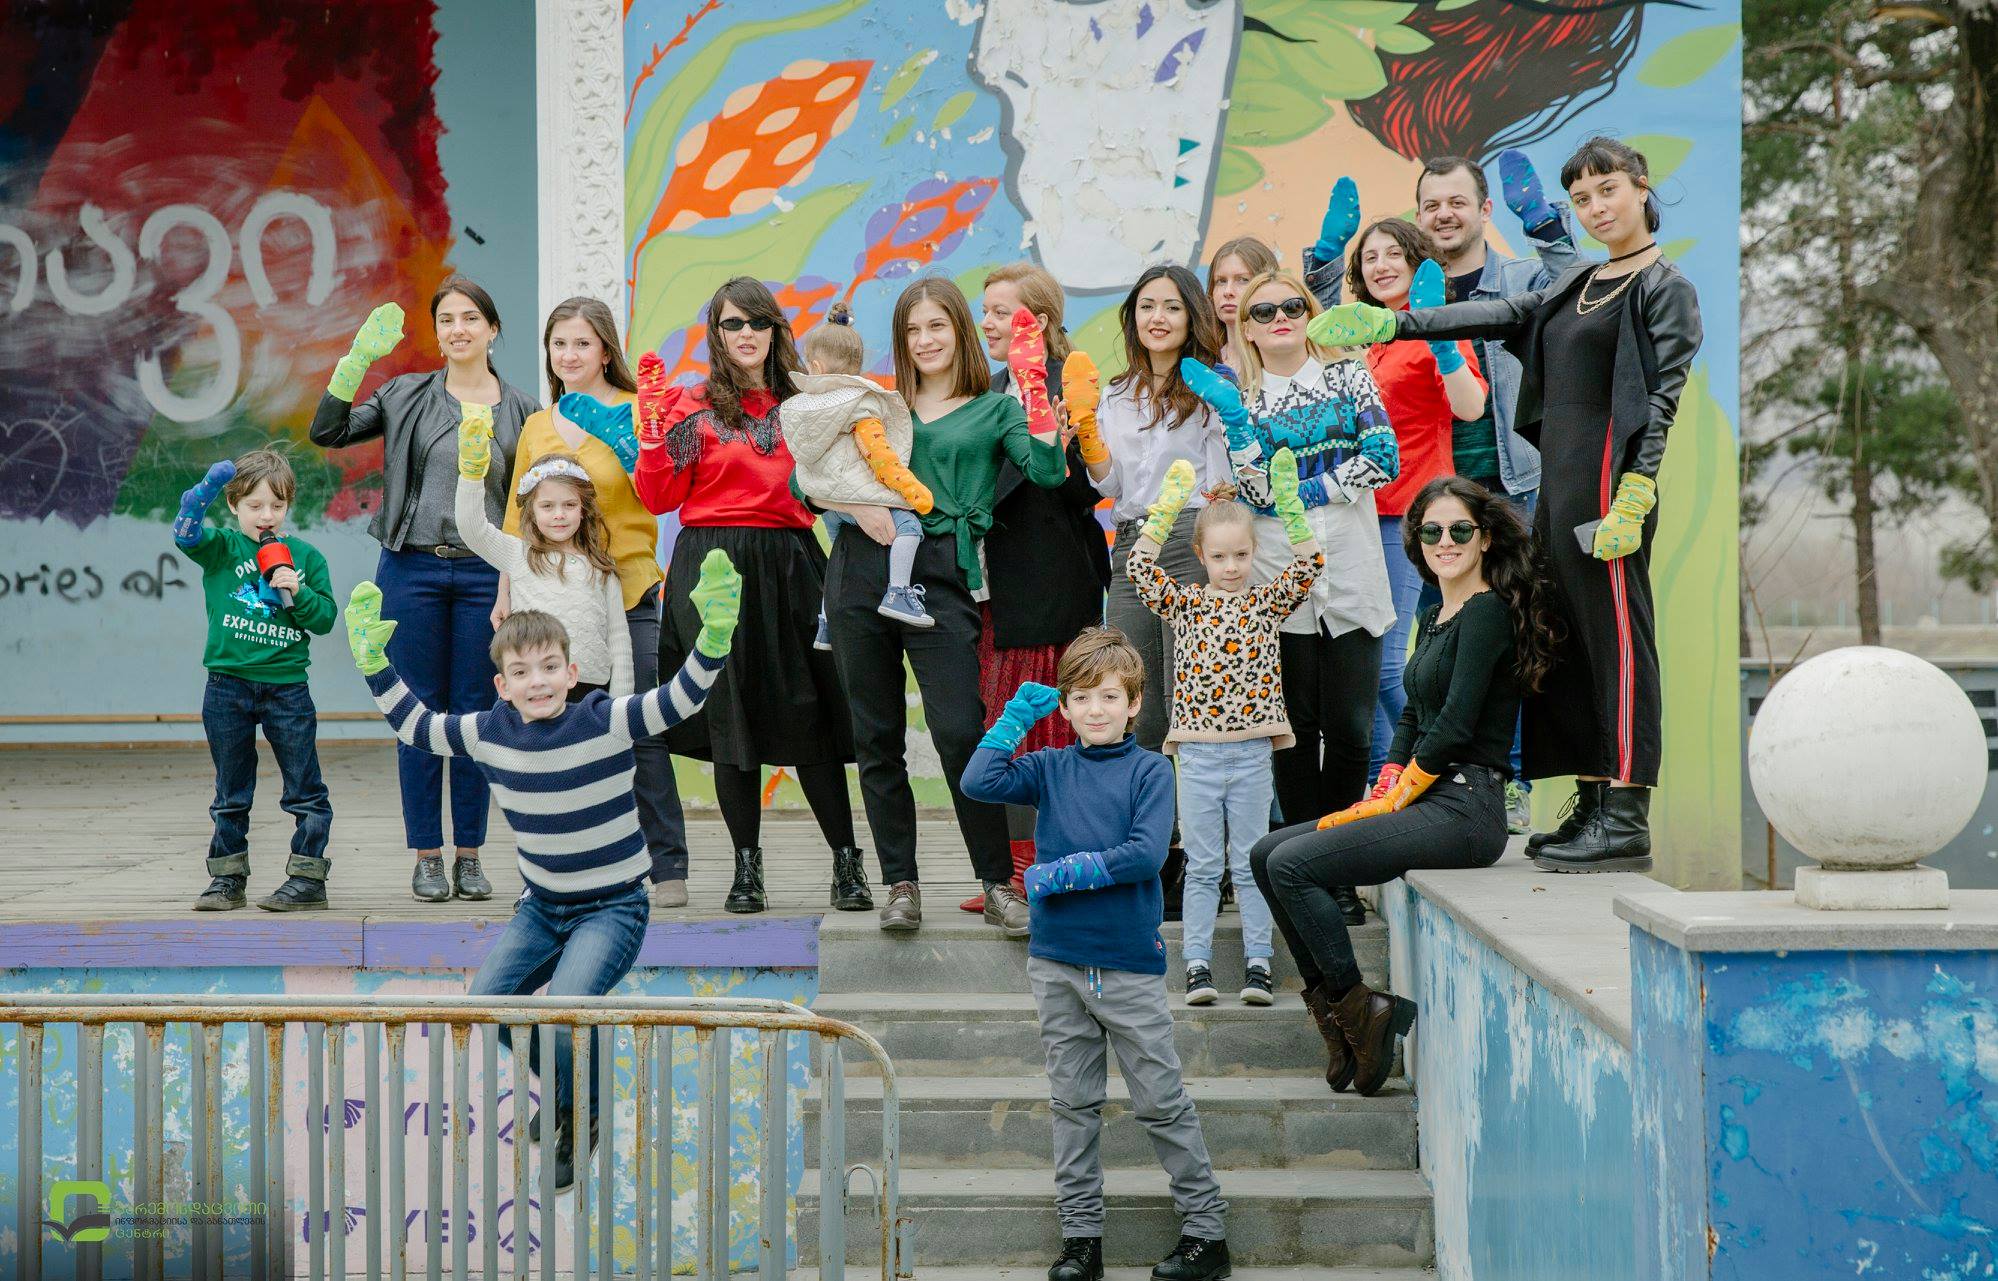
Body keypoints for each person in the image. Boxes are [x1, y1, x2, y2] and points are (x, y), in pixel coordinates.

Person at [1308, 136, 1705, 872]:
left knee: (1618, 645)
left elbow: (1662, 397)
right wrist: (1394, 324)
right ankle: (1592, 797)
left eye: (1608, 191)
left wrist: (1636, 490)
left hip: (1610, 492)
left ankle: (1627, 813)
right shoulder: (1578, 283)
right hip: (1558, 486)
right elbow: (1491, 314)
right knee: (1568, 647)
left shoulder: (1663, 285)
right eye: (1581, 199)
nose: (1596, 208)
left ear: (1640, 187)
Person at [344, 550, 740, 1192]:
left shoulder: (604, 720)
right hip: (542, 908)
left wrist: (713, 639)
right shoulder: (488, 732)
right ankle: (566, 1092)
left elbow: (678, 701)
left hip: (612, 907)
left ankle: (581, 1118)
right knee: (489, 1004)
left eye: (550, 667)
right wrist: (373, 663)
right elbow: (416, 727)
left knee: (567, 1009)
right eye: (522, 671)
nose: (538, 681)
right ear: (501, 684)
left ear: (572, 671)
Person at [1250, 477, 1559, 1096]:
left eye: (1460, 529)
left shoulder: (1487, 612)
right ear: (1416, 541)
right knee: (1266, 854)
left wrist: (1398, 794)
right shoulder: (1438, 613)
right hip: (1430, 796)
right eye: (1432, 531)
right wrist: (1386, 786)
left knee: (1292, 866)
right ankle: (1343, 1019)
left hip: (1467, 808)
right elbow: (1414, 716)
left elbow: (1455, 725)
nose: (1446, 541)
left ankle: (1359, 1010)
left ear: (1485, 538)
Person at [1308, 158, 1584, 831]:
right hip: (1423, 501)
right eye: (1431, 204)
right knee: (1426, 652)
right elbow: (1326, 321)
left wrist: (1544, 225)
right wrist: (1328, 252)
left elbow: (1573, 286)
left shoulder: (1513, 280)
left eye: (1457, 201)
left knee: (1505, 640)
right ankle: (1423, 777)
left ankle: (1501, 782)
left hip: (1504, 483)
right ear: (1419, 217)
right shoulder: (1387, 312)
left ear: (1484, 209)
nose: (1444, 214)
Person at [961, 628, 1232, 1281]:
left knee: (1161, 1099)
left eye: (1109, 696)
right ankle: (1082, 1240)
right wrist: (1014, 718)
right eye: (1081, 697)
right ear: (1066, 706)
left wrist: (1061, 873)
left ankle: (1206, 1232)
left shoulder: (1150, 770)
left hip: (1127, 965)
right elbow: (978, 781)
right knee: (1072, 1105)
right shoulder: (1050, 766)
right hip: (1056, 962)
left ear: (1134, 703)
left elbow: (1144, 854)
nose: (1096, 709)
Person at [818, 277, 1069, 936]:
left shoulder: (996, 408)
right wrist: (858, 507)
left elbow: (1047, 472)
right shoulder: (878, 402)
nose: (925, 340)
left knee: (961, 731)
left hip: (941, 570)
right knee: (876, 736)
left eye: (937, 326)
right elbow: (805, 478)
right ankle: (901, 883)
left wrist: (1043, 410)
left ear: (959, 330)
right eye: (912, 329)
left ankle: (996, 883)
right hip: (860, 570)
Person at [624, 277, 865, 914]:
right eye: (732, 323)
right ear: (718, 333)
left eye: (758, 321)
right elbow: (658, 498)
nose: (746, 334)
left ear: (776, 329)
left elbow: (836, 484)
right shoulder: (688, 403)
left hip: (792, 565)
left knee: (809, 712)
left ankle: (848, 863)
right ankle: (746, 869)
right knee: (730, 718)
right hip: (712, 569)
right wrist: (651, 438)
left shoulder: (807, 401)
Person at [309, 277, 536, 903]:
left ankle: (470, 855)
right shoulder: (404, 394)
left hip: (487, 576)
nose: (458, 329)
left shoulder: (524, 410)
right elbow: (328, 432)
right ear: (436, 333)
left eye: (470, 318)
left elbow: (525, 508)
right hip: (411, 569)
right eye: (446, 320)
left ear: (493, 329)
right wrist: (355, 362)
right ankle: (427, 856)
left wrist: (513, 583)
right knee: (416, 714)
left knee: (477, 714)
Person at [1185, 272, 1398, 926]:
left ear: (1309, 314)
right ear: (1245, 328)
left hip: (1353, 570)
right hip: (1281, 578)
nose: (1279, 316)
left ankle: (1339, 867)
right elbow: (1252, 490)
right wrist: (1285, 486)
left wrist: (1300, 492)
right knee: (1297, 733)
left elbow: (1383, 457)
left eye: (1291, 305)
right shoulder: (1241, 399)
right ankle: (1307, 874)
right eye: (1262, 310)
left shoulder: (1349, 376)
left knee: (1353, 731)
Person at [514, 296, 693, 909]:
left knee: (637, 724)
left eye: (582, 343)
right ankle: (562, 869)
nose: (569, 355)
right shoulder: (537, 426)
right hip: (549, 603)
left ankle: (666, 864)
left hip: (629, 590)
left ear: (606, 350)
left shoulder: (639, 412)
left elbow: (659, 491)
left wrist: (637, 447)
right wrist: (507, 594)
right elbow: (516, 518)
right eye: (559, 344)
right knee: (550, 736)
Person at [1127, 453, 1321, 1007]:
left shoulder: (1266, 603)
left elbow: (1310, 563)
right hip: (1198, 756)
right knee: (1204, 866)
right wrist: (1166, 510)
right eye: (1218, 556)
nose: (1231, 567)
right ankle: (1197, 966)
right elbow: (1139, 569)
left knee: (1251, 862)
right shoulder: (1185, 605)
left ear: (1254, 553)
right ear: (1200, 556)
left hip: (1254, 752)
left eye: (1241, 555)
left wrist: (1290, 505)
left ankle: (1259, 964)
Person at [972, 262, 1113, 910]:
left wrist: (1065, 439)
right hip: (995, 585)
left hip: (1052, 582)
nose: (988, 322)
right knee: (1003, 722)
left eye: (1003, 311)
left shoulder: (1070, 383)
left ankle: (1049, 863)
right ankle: (1011, 868)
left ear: (1043, 321)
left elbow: (1087, 491)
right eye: (986, 310)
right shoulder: (987, 389)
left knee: (1050, 725)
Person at [1337, 220, 1488, 791]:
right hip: (1359, 512)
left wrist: (1442, 345)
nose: (1380, 265)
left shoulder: (1437, 324)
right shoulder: (1368, 338)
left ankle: (1449, 773)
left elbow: (1470, 407)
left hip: (1411, 514)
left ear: (1417, 261)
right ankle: (1389, 783)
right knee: (1367, 665)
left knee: (1384, 661)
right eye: (1369, 257)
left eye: (1393, 254)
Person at [175, 450, 337, 912]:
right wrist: (200, 496)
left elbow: (325, 619)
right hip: (227, 685)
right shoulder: (222, 548)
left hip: (287, 688)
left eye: (277, 506)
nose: (266, 516)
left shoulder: (305, 556)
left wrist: (297, 589)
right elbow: (185, 535)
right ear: (234, 505)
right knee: (231, 791)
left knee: (305, 788)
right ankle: (227, 879)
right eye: (255, 506)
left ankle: (307, 878)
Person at [1091, 264, 1236, 755]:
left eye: (1172, 308)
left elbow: (1226, 479)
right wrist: (1084, 439)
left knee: (1189, 690)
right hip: (1131, 544)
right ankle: (1154, 803)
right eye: (1147, 307)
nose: (1158, 318)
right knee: (1133, 692)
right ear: (1132, 317)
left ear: (1191, 317)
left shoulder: (1213, 386)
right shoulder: (1114, 394)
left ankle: (1198, 802)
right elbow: (1110, 484)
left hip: (1190, 538)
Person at [784, 302, 936, 646]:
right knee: (910, 527)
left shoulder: (800, 409)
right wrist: (908, 487)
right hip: (860, 493)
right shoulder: (861, 404)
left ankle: (826, 622)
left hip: (830, 507)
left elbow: (799, 468)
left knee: (837, 560)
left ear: (815, 366)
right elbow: (878, 454)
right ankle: (899, 591)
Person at [456, 414, 630, 700]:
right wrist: (472, 473)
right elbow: (472, 529)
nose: (559, 514)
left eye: (569, 505)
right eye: (547, 506)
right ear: (532, 512)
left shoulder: (601, 567)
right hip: (532, 693)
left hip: (591, 695)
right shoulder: (518, 555)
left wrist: (619, 707)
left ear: (583, 509)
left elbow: (619, 640)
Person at [1206, 236, 1280, 356]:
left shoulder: (1284, 359)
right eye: (1221, 281)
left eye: (1243, 280)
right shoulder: (1202, 361)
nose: (1228, 291)